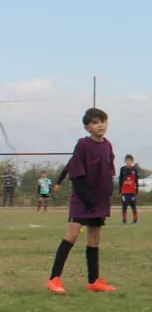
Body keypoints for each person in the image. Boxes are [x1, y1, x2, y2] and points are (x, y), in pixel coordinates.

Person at [46, 107, 118, 294]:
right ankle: (54, 278)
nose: (100, 125)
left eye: (103, 121)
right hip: (82, 200)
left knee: (94, 238)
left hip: (100, 200)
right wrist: (87, 198)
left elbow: (110, 170)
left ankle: (94, 281)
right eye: (95, 122)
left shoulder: (107, 145)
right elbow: (76, 175)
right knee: (72, 235)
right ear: (87, 127)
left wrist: (108, 191)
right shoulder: (82, 145)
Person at [118, 155, 140, 225]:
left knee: (133, 207)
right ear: (125, 161)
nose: (128, 162)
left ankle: (135, 221)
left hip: (132, 192)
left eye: (130, 160)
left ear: (132, 161)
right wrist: (120, 190)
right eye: (127, 160)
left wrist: (136, 190)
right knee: (124, 207)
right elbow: (120, 180)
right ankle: (124, 221)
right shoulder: (122, 169)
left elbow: (136, 181)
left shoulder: (134, 170)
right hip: (124, 192)